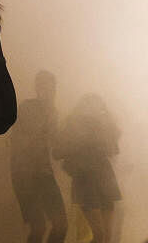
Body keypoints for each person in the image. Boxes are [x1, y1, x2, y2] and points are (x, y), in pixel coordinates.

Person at [53, 94, 121, 243]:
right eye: (89, 105)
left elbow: (114, 150)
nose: (93, 109)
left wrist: (105, 129)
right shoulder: (73, 124)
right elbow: (57, 152)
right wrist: (79, 141)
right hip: (85, 179)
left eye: (97, 106)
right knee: (99, 235)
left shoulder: (103, 124)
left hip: (104, 176)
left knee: (106, 237)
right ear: (82, 107)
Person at [10, 70, 68, 243]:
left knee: (61, 225)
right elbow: (21, 141)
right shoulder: (27, 107)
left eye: (52, 87)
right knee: (39, 227)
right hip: (23, 174)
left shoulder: (53, 112)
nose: (50, 91)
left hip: (44, 174)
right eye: (45, 86)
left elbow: (56, 149)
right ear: (37, 87)